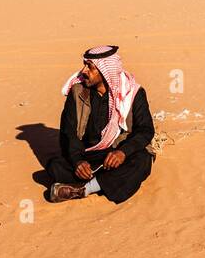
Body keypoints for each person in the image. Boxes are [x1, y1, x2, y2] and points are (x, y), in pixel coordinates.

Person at [45, 45, 154, 204]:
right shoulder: (78, 92)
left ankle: (84, 189)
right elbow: (68, 132)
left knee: (142, 160)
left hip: (117, 152)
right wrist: (78, 161)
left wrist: (123, 152)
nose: (84, 70)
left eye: (90, 67)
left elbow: (145, 130)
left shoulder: (133, 93)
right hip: (89, 154)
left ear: (105, 71)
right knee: (55, 166)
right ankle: (104, 182)